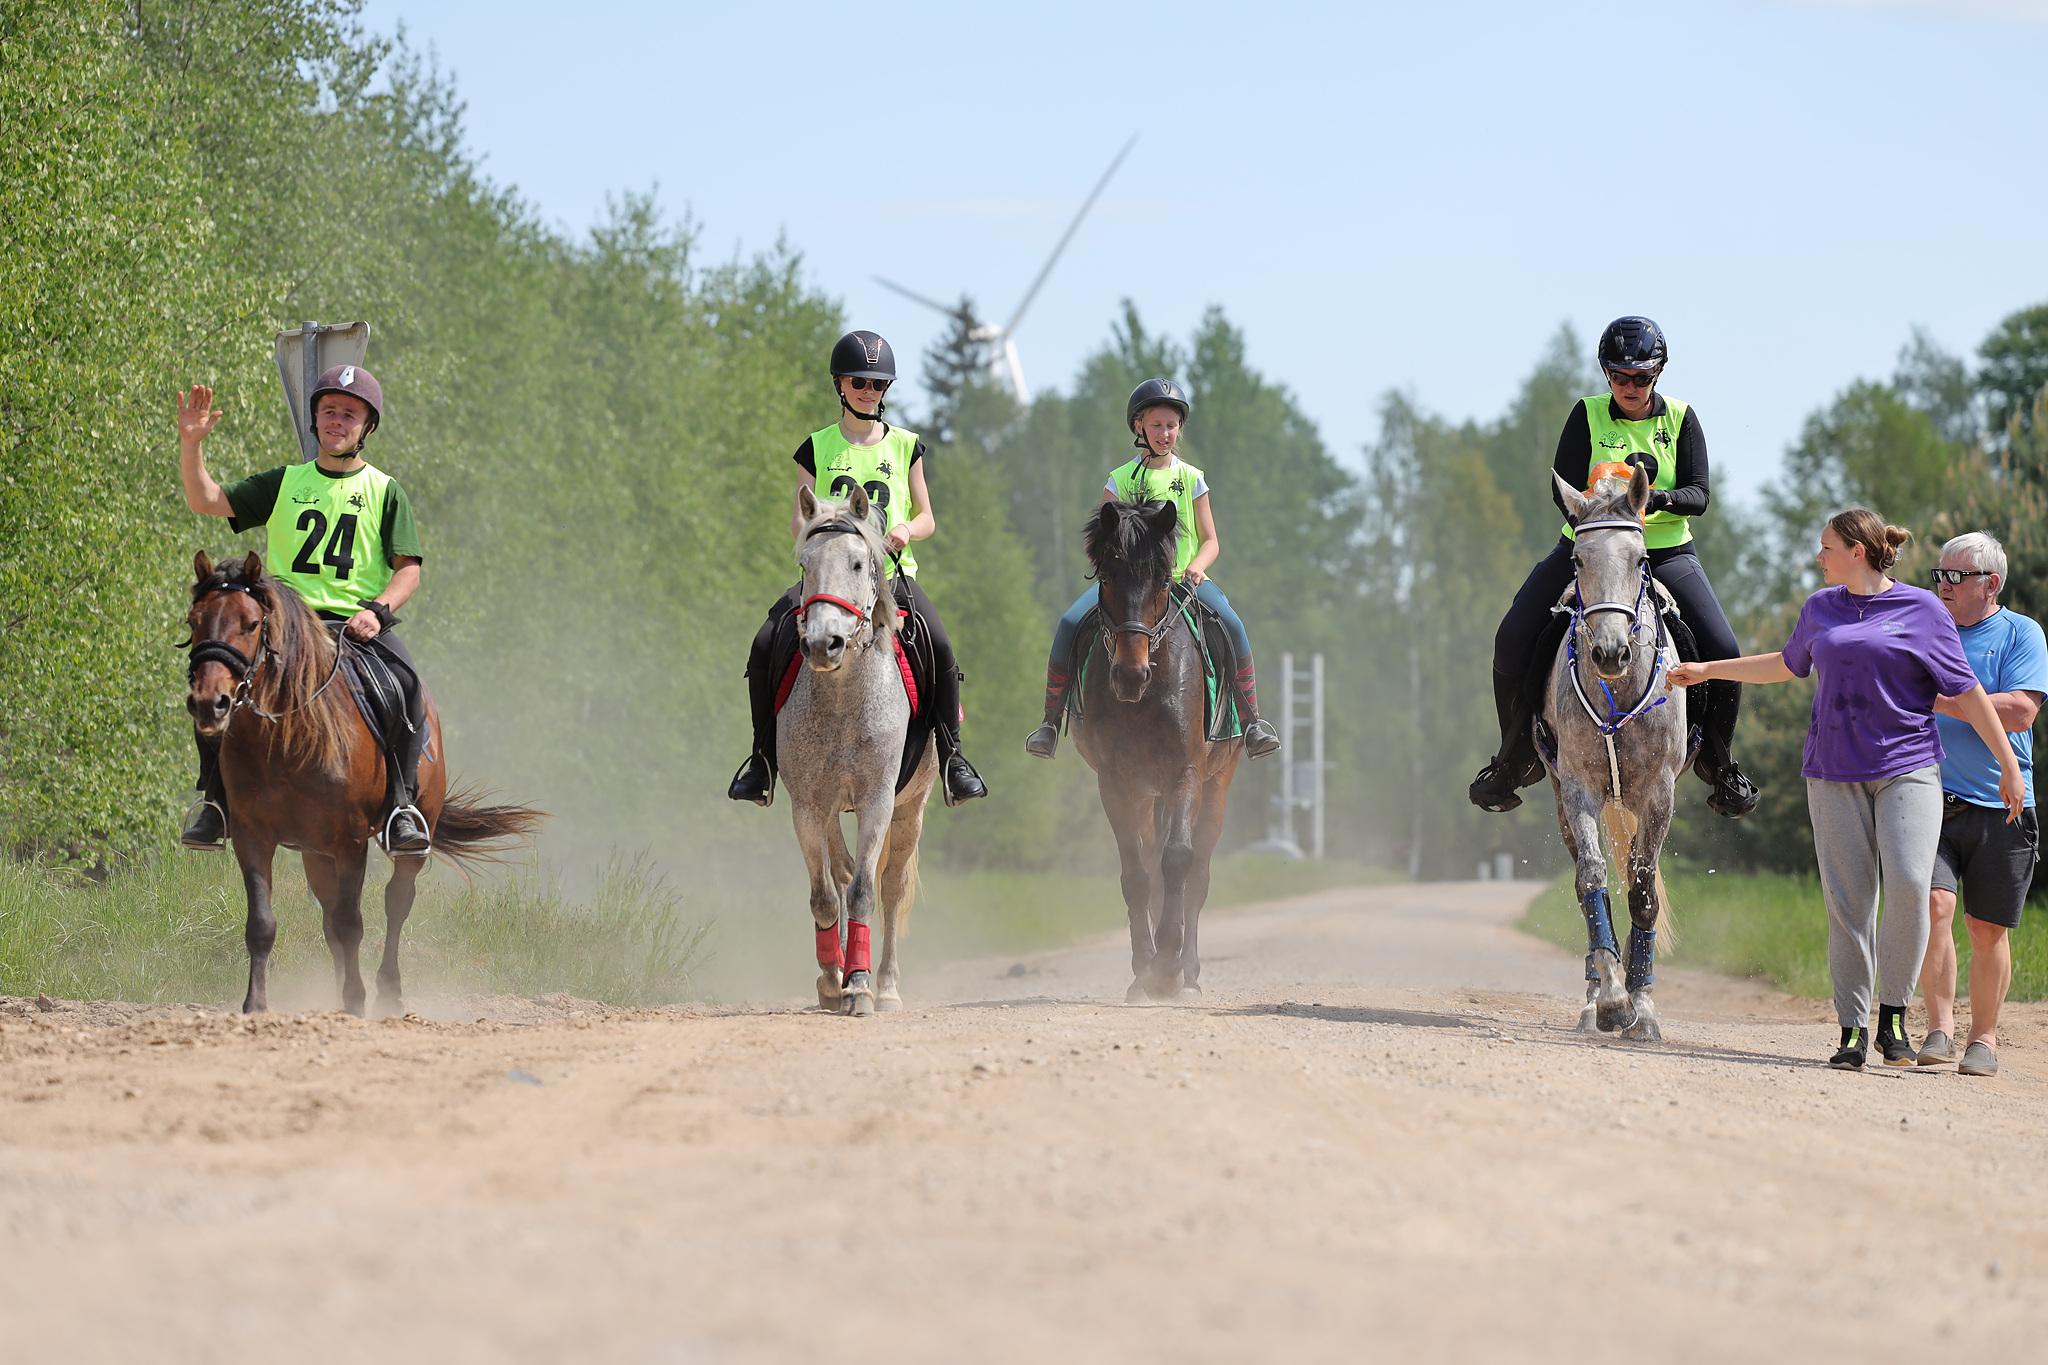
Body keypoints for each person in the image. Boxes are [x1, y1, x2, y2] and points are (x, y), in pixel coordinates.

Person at [1668, 510, 2024, 1070]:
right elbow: (1786, 665)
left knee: (1909, 884)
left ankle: (1894, 1017)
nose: (1819, 557)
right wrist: (1710, 668)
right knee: (1849, 901)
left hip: (1908, 767)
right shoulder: (1820, 608)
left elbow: (1969, 691)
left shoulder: (1923, 609)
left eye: (1826, 547)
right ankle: (1854, 1029)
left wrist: (2009, 764)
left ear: (1857, 551)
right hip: (1833, 770)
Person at [1469, 316, 1758, 818]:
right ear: (1606, 375)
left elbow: (1699, 494)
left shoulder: (1682, 418)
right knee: (1511, 637)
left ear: (1658, 373)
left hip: (1663, 550)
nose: (1629, 387)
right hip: (1588, 546)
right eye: (1618, 377)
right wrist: (1597, 529)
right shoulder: (1586, 414)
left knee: (1724, 648)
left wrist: (1648, 500)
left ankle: (1720, 762)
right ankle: (1513, 759)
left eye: (1641, 377)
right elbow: (1561, 488)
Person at [175, 365, 433, 854]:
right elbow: (205, 498)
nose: (337, 420)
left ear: (367, 427)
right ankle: (215, 802)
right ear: (314, 419)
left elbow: (409, 571)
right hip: (284, 625)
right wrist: (192, 443)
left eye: (349, 414)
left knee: (407, 685)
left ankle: (401, 803)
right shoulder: (284, 482)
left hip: (354, 626)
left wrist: (378, 611)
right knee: (213, 674)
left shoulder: (385, 490)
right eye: (328, 411)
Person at [727, 330, 987, 809]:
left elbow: (928, 515)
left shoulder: (907, 446)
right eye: (859, 382)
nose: (869, 392)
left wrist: (907, 530)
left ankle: (953, 759)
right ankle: (762, 760)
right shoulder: (816, 446)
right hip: (829, 577)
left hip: (890, 576)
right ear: (840, 385)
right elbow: (798, 520)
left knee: (941, 645)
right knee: (765, 643)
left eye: (878, 384)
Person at [1022, 378, 1282, 760]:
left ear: (1180, 429)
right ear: (1138, 426)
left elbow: (1212, 540)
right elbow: (1096, 542)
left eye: (1172, 426)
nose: (1165, 433)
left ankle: (1252, 721)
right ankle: (1049, 722)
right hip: (1131, 586)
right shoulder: (1120, 479)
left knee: (1232, 624)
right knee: (1069, 623)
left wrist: (1197, 565)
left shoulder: (1191, 479)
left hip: (1184, 581)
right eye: (1157, 425)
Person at [1915, 532, 2044, 1077]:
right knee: (1934, 909)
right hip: (1929, 800)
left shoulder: (2021, 634)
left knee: (1986, 928)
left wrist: (1945, 701)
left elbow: (2020, 711)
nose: (1942, 585)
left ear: (1990, 584)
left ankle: (1984, 1038)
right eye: (1938, 574)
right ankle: (1939, 1029)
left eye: (1955, 576)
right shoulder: (1927, 630)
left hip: (2002, 805)